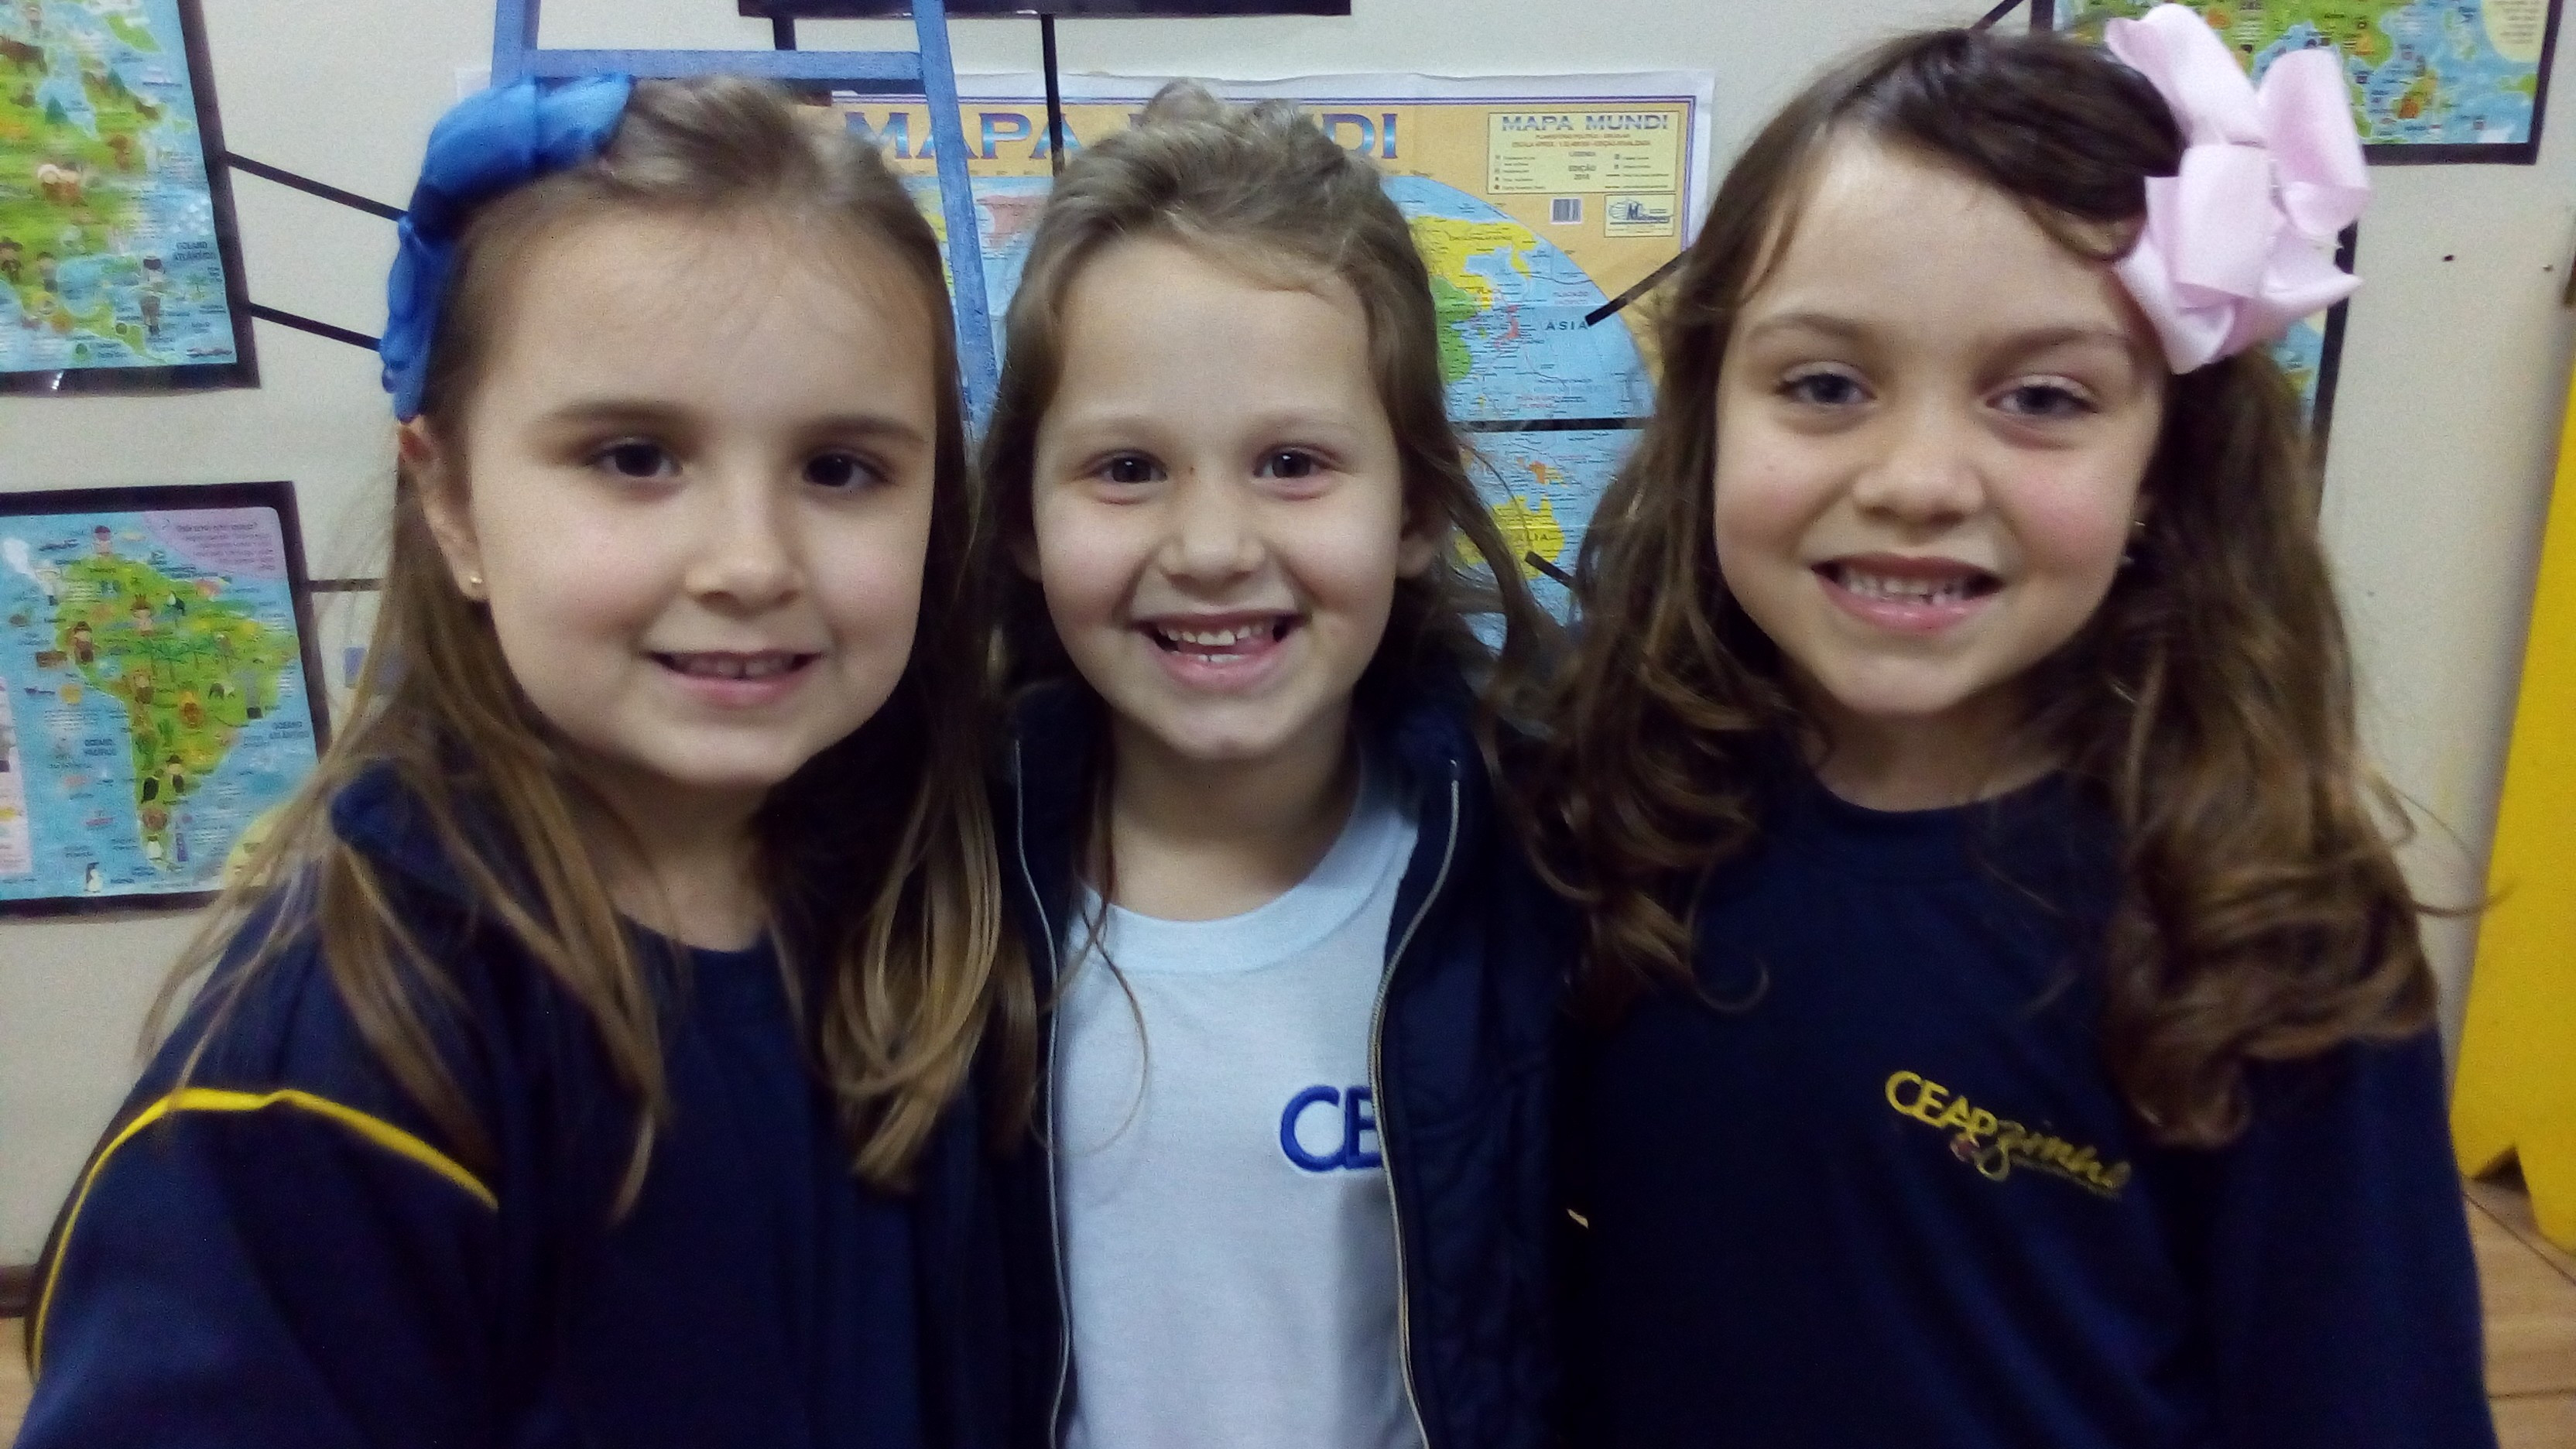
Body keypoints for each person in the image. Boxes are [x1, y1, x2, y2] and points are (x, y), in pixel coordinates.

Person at [19, 74, 1036, 1449]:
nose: (750, 563)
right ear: (451, 501)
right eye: (635, 456)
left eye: (842, 470)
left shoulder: (935, 905)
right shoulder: (329, 1069)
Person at [1536, 11, 2497, 1447]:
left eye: (2042, 398)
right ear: (1707, 415)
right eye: (1825, 385)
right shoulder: (1601, 808)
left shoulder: (2262, 927)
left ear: (2164, 467)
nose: (1919, 479)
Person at [979, 81, 1572, 1449]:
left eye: (1293, 463)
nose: (1210, 547)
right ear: (1022, 517)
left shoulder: (1547, 873)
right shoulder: (933, 880)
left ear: (1415, 508)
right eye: (1127, 468)